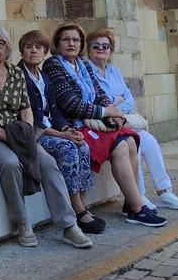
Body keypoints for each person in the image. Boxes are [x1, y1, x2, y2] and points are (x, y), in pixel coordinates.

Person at [0, 23, 94, 249]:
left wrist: (26, 133)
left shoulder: (15, 73)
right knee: (11, 163)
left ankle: (69, 225)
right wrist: (9, 138)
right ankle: (23, 223)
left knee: (48, 162)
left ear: (7, 47)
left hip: (19, 133)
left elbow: (26, 110)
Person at [41, 23, 168, 228]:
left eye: (76, 40)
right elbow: (69, 103)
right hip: (74, 125)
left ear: (81, 44)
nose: (71, 43)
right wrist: (105, 112)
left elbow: (99, 93)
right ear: (57, 43)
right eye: (66, 39)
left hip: (94, 122)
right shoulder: (53, 65)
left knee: (130, 141)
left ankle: (130, 203)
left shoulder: (82, 65)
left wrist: (114, 112)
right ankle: (137, 209)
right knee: (118, 147)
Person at [85, 28, 178, 211]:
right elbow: (96, 100)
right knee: (135, 144)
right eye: (96, 46)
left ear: (111, 49)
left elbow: (129, 98)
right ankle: (138, 195)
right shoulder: (86, 72)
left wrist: (116, 106)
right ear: (89, 49)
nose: (101, 49)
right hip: (104, 126)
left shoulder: (113, 70)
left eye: (105, 46)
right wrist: (116, 102)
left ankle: (164, 191)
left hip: (121, 121)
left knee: (150, 142)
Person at [17, 29, 105, 235]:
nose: (33, 51)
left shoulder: (44, 77)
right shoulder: (19, 76)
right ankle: (77, 210)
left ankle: (82, 208)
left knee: (81, 145)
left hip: (53, 130)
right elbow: (34, 120)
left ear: (45, 51)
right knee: (67, 149)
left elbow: (54, 110)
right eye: (28, 47)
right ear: (21, 52)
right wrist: (62, 135)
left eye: (38, 47)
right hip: (36, 135)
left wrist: (67, 128)